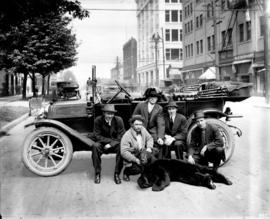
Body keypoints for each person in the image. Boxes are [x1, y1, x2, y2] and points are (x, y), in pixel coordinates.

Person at [91, 104, 125, 184]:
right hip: (102, 143)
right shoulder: (98, 120)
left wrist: (111, 144)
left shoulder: (118, 120)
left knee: (121, 148)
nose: (110, 116)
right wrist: (109, 142)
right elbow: (97, 135)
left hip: (115, 143)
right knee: (95, 146)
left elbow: (122, 135)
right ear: (104, 113)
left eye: (112, 114)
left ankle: (117, 174)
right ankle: (97, 173)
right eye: (108, 113)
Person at [132, 88, 165, 158]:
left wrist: (160, 137)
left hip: (153, 131)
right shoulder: (140, 105)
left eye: (155, 97)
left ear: (157, 98)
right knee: (137, 144)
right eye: (151, 97)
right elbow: (133, 119)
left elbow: (160, 123)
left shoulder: (159, 108)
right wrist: (136, 131)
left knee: (159, 144)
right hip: (140, 129)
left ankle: (158, 163)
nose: (153, 99)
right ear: (148, 97)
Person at [120, 115, 154, 181]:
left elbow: (150, 138)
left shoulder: (143, 129)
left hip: (142, 153)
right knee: (138, 169)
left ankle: (147, 172)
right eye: (136, 124)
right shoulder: (127, 135)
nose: (139, 126)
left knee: (155, 153)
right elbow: (123, 152)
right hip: (133, 155)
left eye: (140, 124)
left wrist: (149, 147)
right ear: (132, 124)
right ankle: (126, 172)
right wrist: (135, 159)